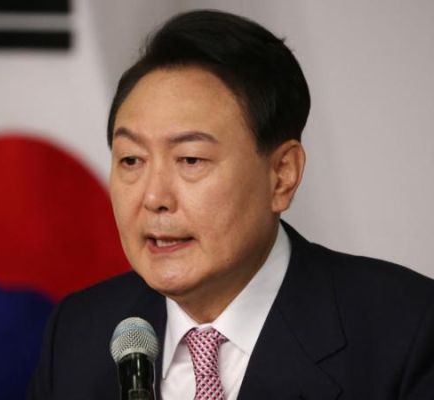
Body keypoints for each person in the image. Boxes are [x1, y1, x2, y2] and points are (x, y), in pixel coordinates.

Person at [29, 9, 434, 400]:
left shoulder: (406, 330)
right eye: (131, 160)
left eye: (190, 160)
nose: (154, 198)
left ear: (282, 174)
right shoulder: (78, 334)